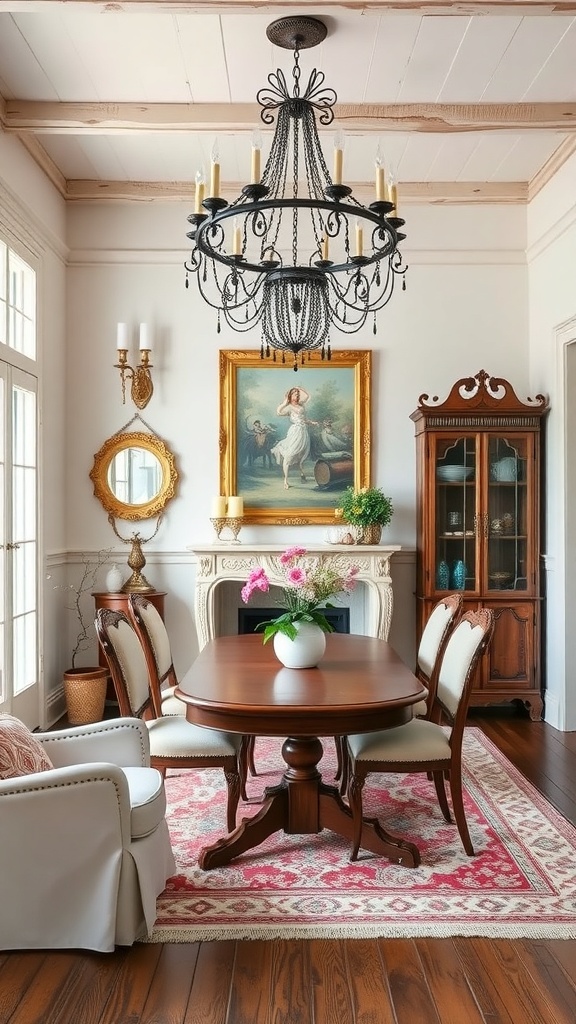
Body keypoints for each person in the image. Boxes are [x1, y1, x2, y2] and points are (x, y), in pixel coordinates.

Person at [270, 386, 317, 489]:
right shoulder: (289, 407)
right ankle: (285, 481)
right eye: (295, 393)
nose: (297, 394)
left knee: (301, 454)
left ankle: (301, 473)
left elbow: (308, 398)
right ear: (290, 396)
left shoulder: (301, 405)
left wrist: (311, 422)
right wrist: (284, 402)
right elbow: (278, 412)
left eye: (297, 393)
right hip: (295, 431)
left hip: (303, 432)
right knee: (289, 455)